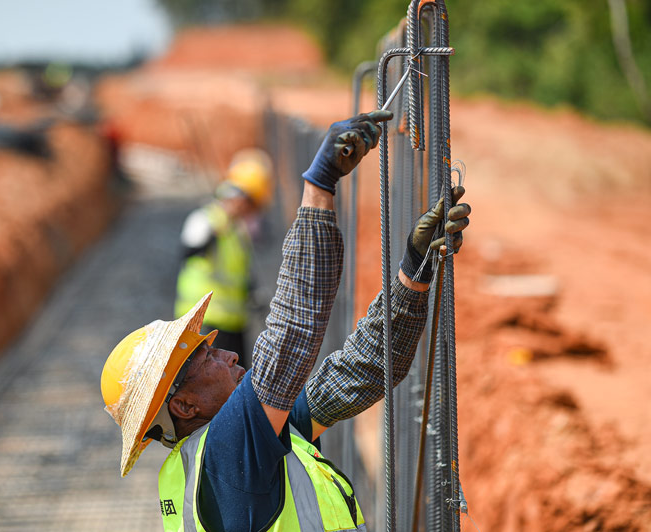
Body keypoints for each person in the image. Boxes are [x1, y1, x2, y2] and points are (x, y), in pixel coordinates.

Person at [101, 110, 471, 532]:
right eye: (205, 357)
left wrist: (413, 271)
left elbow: (363, 371)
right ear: (184, 405)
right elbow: (292, 333)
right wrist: (318, 185)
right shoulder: (226, 453)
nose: (227, 353)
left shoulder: (245, 447)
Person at [174, 148, 273, 368]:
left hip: (234, 322)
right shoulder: (205, 219)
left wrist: (252, 293)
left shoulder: (239, 230)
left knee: (236, 380)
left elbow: (240, 271)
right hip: (203, 321)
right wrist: (215, 231)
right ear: (241, 200)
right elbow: (189, 251)